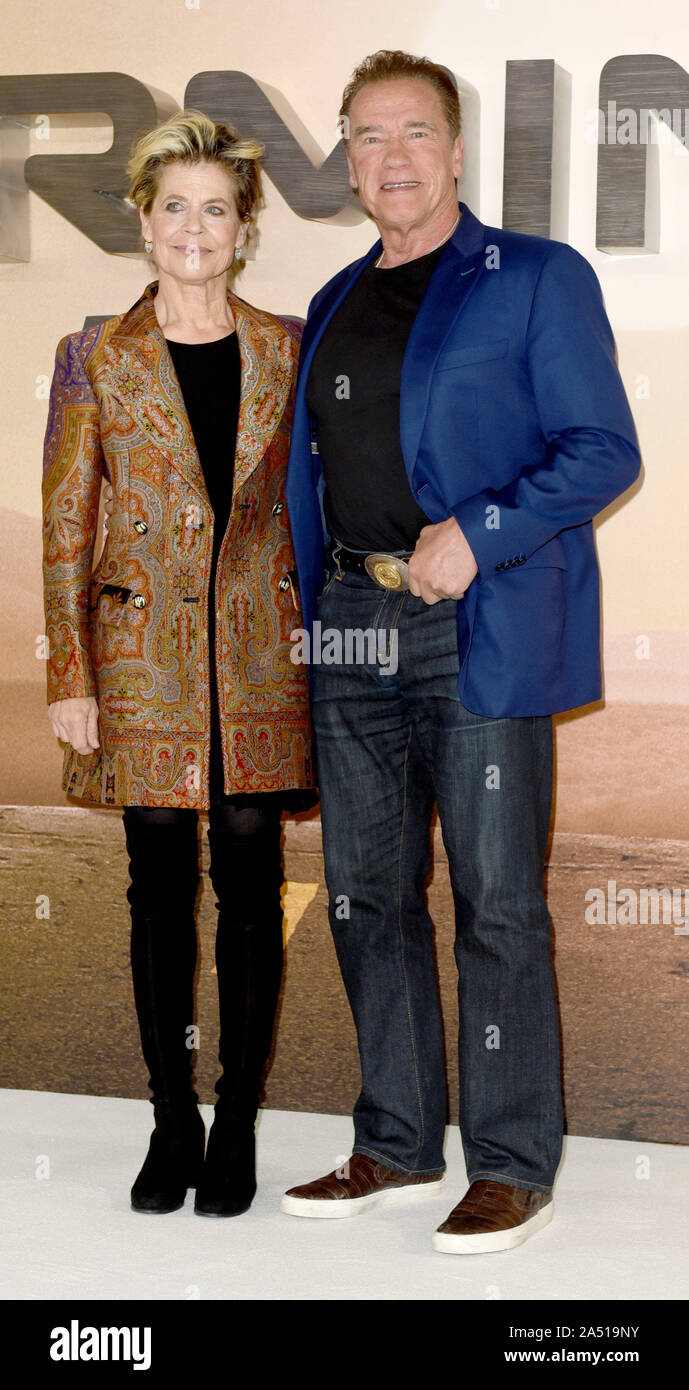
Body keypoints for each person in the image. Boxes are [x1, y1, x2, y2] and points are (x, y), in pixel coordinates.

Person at [281, 51, 641, 1253]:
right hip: (347, 628)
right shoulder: (330, 300)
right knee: (364, 896)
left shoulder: (532, 276)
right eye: (367, 135)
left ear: (453, 148)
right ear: (345, 154)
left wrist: (476, 536)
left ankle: (509, 1160)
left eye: (414, 132)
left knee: (496, 905)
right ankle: (390, 1139)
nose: (391, 157)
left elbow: (601, 448)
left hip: (470, 630)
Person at [42, 109, 316, 1218]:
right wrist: (69, 672)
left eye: (216, 208)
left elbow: (312, 507)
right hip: (138, 663)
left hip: (257, 660)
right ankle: (170, 1119)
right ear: (143, 223)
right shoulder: (93, 357)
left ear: (242, 227)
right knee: (157, 892)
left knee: (251, 891)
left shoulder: (289, 348)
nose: (193, 229)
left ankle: (239, 1118)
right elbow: (67, 521)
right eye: (173, 208)